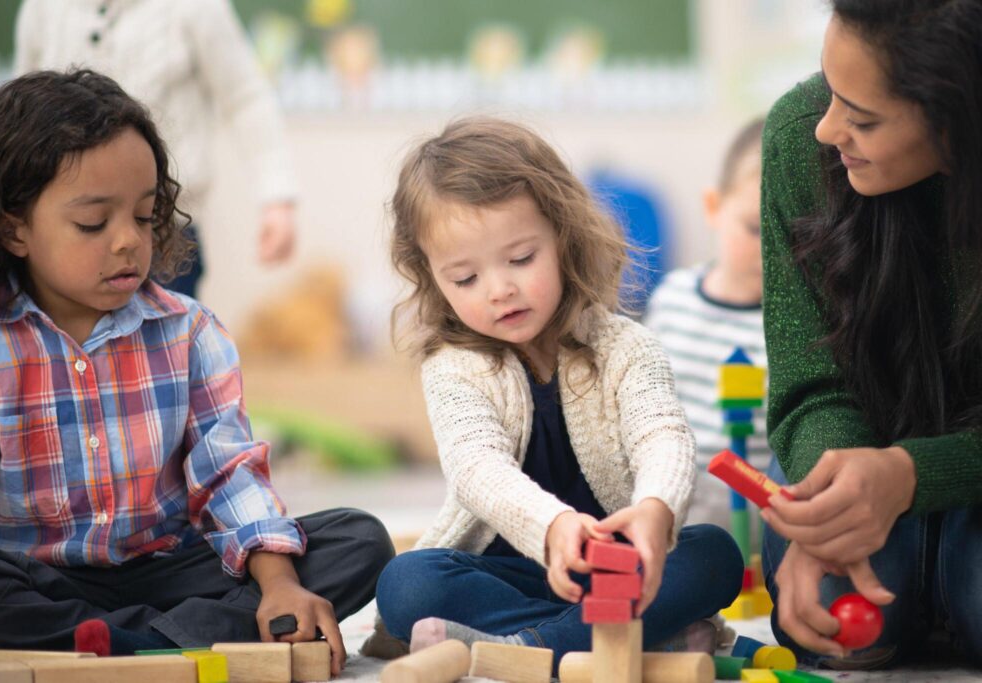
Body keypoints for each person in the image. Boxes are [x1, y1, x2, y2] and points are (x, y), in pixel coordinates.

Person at [0, 70, 392, 676]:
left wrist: (279, 584)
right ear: (13, 228)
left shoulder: (188, 331)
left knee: (359, 540)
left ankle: (119, 649)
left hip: (166, 570)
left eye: (143, 216)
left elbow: (229, 476)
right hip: (35, 579)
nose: (127, 242)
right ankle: (166, 645)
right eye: (93, 224)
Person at [370, 117, 744, 667]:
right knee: (407, 582)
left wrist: (655, 508)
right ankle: (621, 643)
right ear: (431, 278)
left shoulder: (626, 346)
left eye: (521, 259)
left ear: (563, 237)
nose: (500, 289)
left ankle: (531, 650)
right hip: (512, 574)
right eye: (465, 279)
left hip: (617, 572)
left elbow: (663, 434)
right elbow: (477, 470)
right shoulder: (452, 368)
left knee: (715, 554)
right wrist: (554, 529)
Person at [756, 0, 982, 669]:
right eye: (830, 90)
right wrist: (831, 502)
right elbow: (811, 382)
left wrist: (914, 475)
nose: (828, 129)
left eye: (863, 117)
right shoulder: (799, 137)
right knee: (844, 617)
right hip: (864, 449)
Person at [14, 0, 299, 298]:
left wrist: (277, 199)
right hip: (68, 228)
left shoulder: (196, 8)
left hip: (164, 230)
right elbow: (21, 111)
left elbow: (246, 98)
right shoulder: (42, 8)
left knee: (161, 339)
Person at [645, 118, 770, 528]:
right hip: (676, 505)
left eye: (790, 233)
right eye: (754, 229)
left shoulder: (797, 324)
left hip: (760, 517)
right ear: (714, 208)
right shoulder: (672, 299)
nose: (771, 250)